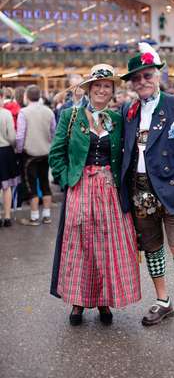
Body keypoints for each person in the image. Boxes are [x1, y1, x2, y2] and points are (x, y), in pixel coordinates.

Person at [120, 43, 174, 345]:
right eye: (137, 78)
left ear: (158, 74)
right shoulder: (128, 110)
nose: (142, 81)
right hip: (140, 193)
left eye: (147, 75)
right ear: (132, 83)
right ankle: (163, 302)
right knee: (153, 251)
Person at [49, 64, 141, 326]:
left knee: (107, 246)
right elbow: (57, 153)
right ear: (89, 88)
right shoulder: (70, 116)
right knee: (80, 244)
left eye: (107, 87)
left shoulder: (117, 119)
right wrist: (67, 179)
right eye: (98, 85)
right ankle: (78, 302)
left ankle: (103, 301)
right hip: (80, 188)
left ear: (112, 91)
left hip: (109, 190)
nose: (102, 90)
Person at [16, 85, 55, 225]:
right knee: (45, 183)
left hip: (29, 154)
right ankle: (47, 215)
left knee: (31, 185)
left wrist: (19, 150)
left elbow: (20, 135)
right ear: (39, 96)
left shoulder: (24, 112)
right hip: (45, 152)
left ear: (26, 96)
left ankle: (34, 217)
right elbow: (53, 132)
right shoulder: (49, 111)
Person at [0, 89, 20, 227]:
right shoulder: (5, 113)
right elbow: (11, 136)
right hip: (5, 152)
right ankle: (7, 217)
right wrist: (15, 147)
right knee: (6, 187)